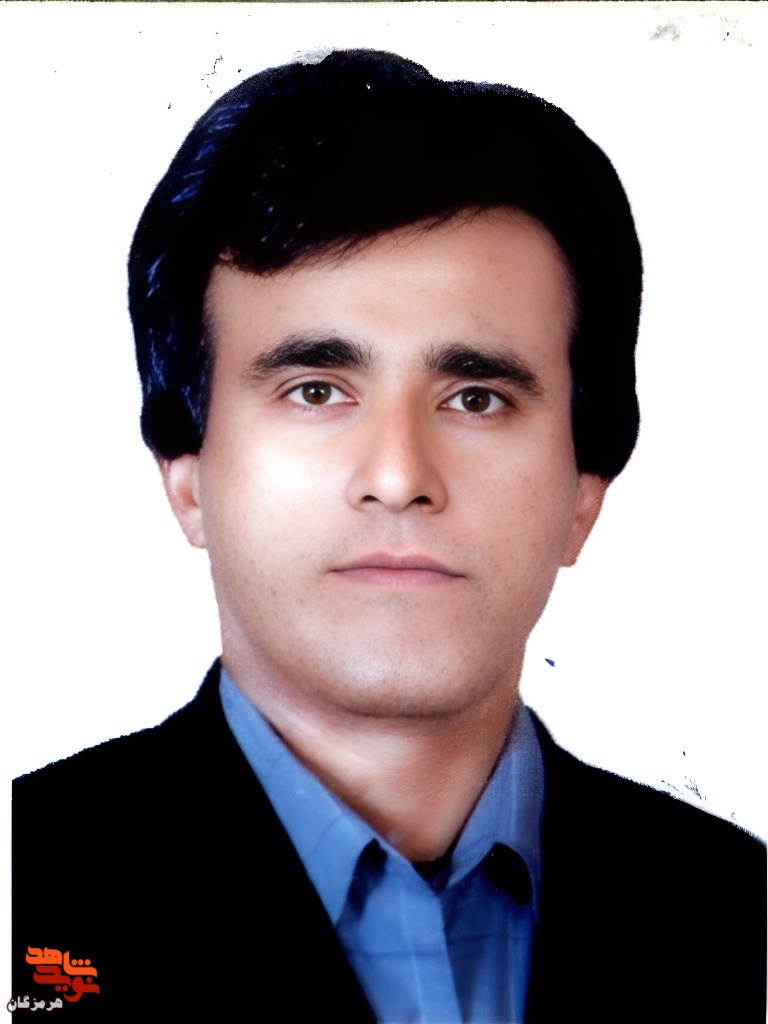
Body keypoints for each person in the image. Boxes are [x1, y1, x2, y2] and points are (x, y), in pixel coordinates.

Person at [12, 49, 765, 1023]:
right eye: (316, 390)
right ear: (185, 472)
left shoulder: (742, 916)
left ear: (585, 489)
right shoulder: (23, 890)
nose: (401, 475)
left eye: (477, 397)